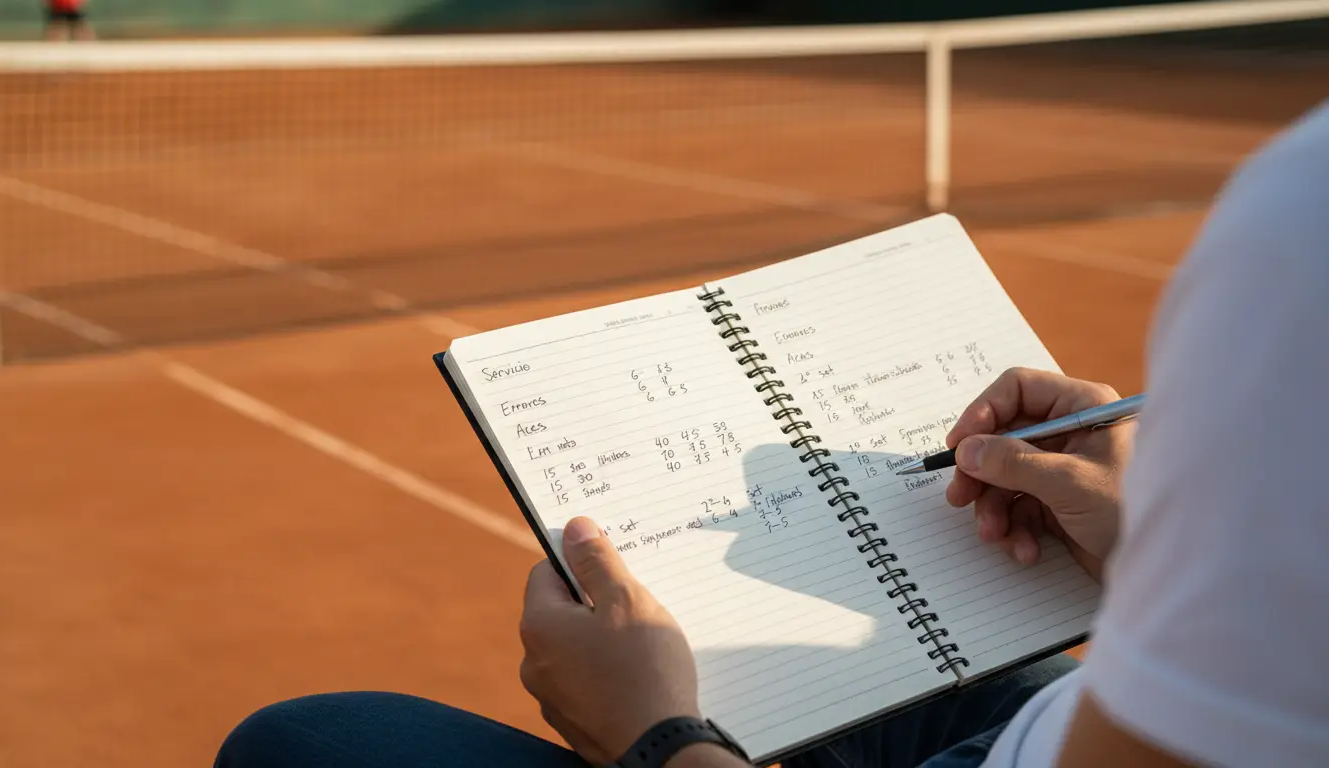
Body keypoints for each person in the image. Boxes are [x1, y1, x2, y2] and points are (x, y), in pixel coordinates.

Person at [213, 99, 1329, 767]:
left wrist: (658, 740)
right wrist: (1157, 557)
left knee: (305, 745)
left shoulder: (1300, 220)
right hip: (1057, 720)